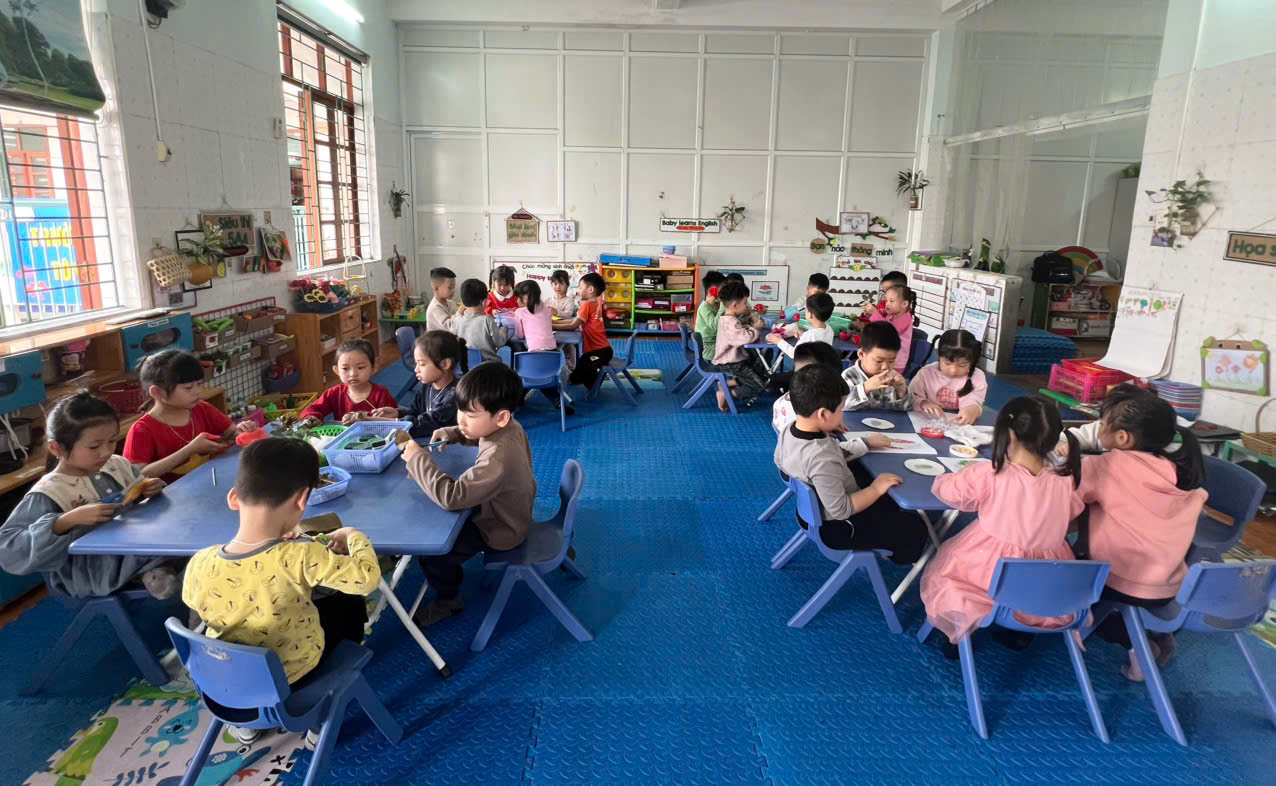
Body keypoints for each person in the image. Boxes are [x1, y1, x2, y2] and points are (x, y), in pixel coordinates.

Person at [182, 437, 380, 743]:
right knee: (347, 602)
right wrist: (354, 536)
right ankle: (318, 721)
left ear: (234, 498)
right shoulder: (301, 556)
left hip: (223, 688)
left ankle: (246, 726)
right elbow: (367, 579)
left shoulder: (200, 561)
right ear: (302, 499)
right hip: (292, 682)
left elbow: (200, 605)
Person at [919, 396, 1084, 653]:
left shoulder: (991, 474)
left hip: (988, 570)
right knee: (1026, 589)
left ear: (1010, 434)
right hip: (1042, 580)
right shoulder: (1065, 481)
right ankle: (1019, 632)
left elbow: (950, 492)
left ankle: (958, 635)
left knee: (951, 581)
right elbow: (1071, 515)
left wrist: (952, 477)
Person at [1069, 384, 1208, 681]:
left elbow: (1067, 503)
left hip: (1118, 581)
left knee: (1065, 576)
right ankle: (1156, 634)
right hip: (1170, 586)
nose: (1098, 429)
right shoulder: (1176, 471)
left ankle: (1137, 646)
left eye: (1101, 424)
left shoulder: (1105, 465)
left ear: (1122, 438)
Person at [0, 392, 173, 599]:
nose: (106, 452)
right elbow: (8, 551)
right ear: (56, 447)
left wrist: (147, 489)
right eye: (94, 446)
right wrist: (66, 521)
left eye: (112, 441)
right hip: (93, 570)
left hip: (130, 543)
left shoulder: (116, 464)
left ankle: (158, 568)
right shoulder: (49, 491)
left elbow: (137, 493)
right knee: (177, 552)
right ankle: (154, 569)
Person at [402, 363, 535, 626]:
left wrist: (417, 459)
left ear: (501, 417)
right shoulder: (508, 426)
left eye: (470, 415)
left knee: (433, 554)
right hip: (510, 511)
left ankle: (448, 600)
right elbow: (482, 435)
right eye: (460, 410)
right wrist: (454, 433)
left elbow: (452, 498)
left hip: (501, 528)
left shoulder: (497, 458)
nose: (461, 419)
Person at [773, 364, 927, 563]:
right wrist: (875, 489)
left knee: (872, 482)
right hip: (838, 528)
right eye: (840, 409)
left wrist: (864, 443)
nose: (842, 415)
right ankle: (899, 558)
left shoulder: (790, 428)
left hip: (810, 512)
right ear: (823, 414)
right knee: (914, 526)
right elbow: (841, 509)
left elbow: (783, 460)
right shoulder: (822, 457)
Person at [124, 349, 257, 483]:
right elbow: (135, 477)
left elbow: (231, 432)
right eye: (188, 388)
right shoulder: (142, 430)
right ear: (158, 393)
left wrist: (242, 430)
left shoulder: (202, 408)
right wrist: (190, 450)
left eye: (199, 384)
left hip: (209, 482)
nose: (198, 391)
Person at [772, 342, 890, 458]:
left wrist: (822, 426)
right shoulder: (799, 418)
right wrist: (866, 443)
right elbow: (829, 456)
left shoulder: (785, 402)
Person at [372, 330, 463, 438]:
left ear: (445, 364)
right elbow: (416, 411)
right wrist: (397, 413)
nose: (416, 369)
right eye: (416, 363)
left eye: (422, 364)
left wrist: (376, 421)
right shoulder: (428, 386)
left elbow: (421, 425)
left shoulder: (455, 396)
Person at [298, 339, 397, 426]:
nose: (353, 374)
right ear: (337, 370)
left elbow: (395, 422)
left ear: (373, 367)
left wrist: (376, 418)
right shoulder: (335, 393)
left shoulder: (381, 395)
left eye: (360, 367)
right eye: (345, 368)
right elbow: (311, 410)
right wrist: (311, 418)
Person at [511, 280, 572, 414]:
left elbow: (520, 335)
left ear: (527, 297)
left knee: (528, 376)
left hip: (533, 356)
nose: (517, 301)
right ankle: (557, 401)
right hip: (553, 356)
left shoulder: (520, 312)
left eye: (519, 298)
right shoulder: (546, 309)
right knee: (541, 376)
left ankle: (516, 401)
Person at [910, 329, 987, 425]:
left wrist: (973, 409)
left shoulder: (977, 376)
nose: (953, 370)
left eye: (962, 365)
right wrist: (923, 403)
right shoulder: (926, 373)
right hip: (927, 421)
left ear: (972, 362)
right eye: (947, 363)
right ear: (939, 356)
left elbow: (975, 399)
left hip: (959, 425)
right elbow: (911, 396)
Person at [712, 280, 769, 410]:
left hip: (733, 360)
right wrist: (756, 329)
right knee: (759, 385)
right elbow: (744, 338)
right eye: (744, 303)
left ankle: (726, 384)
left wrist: (750, 327)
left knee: (757, 370)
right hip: (731, 363)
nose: (746, 305)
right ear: (735, 305)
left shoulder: (729, 319)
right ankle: (728, 394)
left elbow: (740, 332)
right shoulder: (730, 322)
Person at [556, 272, 612, 389]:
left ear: (590, 289)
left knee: (582, 367)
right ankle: (585, 382)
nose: (578, 290)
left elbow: (573, 325)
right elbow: (574, 322)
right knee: (582, 364)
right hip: (603, 350)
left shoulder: (586, 306)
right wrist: (554, 324)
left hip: (599, 352)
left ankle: (592, 387)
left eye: (580, 287)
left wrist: (552, 325)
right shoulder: (595, 304)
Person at [840, 322, 911, 411]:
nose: (885, 367)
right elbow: (839, 406)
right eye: (879, 361)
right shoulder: (849, 376)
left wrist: (902, 392)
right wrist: (865, 388)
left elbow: (908, 409)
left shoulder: (893, 378)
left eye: (891, 361)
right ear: (861, 354)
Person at [453, 278, 511, 365]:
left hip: (465, 366)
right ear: (484, 302)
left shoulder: (457, 321)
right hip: (488, 366)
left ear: (463, 301)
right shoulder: (487, 320)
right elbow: (500, 342)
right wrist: (504, 329)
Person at [864, 284, 917, 374]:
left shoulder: (906, 318)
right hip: (884, 358)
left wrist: (875, 313)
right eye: (886, 300)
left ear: (904, 304)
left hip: (895, 363)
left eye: (891, 301)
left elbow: (888, 330)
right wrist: (870, 314)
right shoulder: (891, 314)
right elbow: (879, 325)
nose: (887, 304)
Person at [768, 292, 835, 360]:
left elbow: (794, 354)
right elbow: (815, 344)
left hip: (808, 365)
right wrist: (802, 336)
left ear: (810, 315)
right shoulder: (829, 329)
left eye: (806, 310)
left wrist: (779, 341)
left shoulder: (809, 335)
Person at [545, 270, 579, 371]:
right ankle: (549, 368)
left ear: (567, 285)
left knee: (569, 345)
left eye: (561, 284)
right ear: (551, 284)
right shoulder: (547, 300)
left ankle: (572, 368)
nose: (558, 286)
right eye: (555, 283)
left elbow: (568, 314)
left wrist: (556, 312)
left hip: (565, 329)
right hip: (550, 330)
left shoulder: (569, 300)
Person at [780, 273, 832, 338]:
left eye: (823, 294)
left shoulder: (824, 302)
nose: (819, 297)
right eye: (816, 293)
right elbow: (790, 313)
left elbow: (827, 318)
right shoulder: (802, 301)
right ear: (808, 288)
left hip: (817, 331)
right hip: (802, 329)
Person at [695, 270, 727, 363]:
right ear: (713, 291)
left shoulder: (715, 304)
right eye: (723, 290)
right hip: (708, 348)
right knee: (736, 350)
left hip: (716, 342)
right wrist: (723, 305)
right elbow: (715, 325)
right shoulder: (704, 307)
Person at [425, 266, 458, 332]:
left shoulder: (451, 303)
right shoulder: (434, 308)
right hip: (439, 339)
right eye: (450, 287)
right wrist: (460, 312)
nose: (453, 291)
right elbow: (452, 327)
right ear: (436, 289)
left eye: (454, 287)